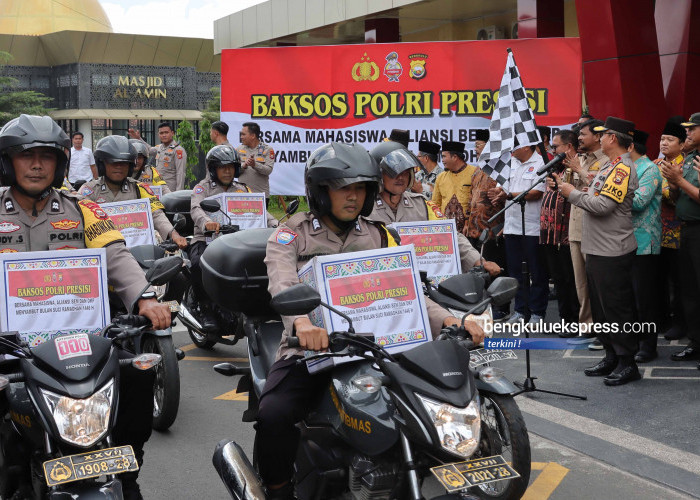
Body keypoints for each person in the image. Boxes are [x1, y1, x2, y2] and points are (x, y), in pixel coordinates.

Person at [258, 141, 484, 499]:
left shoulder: (380, 235)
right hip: (313, 350)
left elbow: (411, 293)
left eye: (361, 188)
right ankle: (278, 488)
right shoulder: (291, 234)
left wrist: (454, 321)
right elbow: (282, 282)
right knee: (274, 414)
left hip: (381, 348)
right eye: (343, 188)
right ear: (320, 191)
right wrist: (302, 325)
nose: (353, 197)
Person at [0, 115, 172, 499]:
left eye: (46, 156)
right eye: (26, 156)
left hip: (78, 343)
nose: (37, 165)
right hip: (9, 348)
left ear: (60, 163)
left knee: (138, 373)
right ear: (8, 161)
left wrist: (143, 296)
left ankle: (127, 469)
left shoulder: (82, 209)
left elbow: (116, 255)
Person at [555, 116, 640, 386]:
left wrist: (571, 193)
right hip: (598, 249)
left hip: (612, 250)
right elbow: (595, 190)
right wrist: (580, 181)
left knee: (617, 309)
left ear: (612, 138)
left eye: (602, 135)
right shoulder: (610, 166)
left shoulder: (622, 169)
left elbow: (602, 206)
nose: (599, 138)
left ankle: (628, 362)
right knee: (602, 310)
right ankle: (611, 354)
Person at [367, 141, 500, 276]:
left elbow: (450, 235)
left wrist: (478, 261)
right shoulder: (365, 208)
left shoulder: (422, 205)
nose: (400, 177)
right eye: (393, 172)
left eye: (405, 172)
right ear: (378, 174)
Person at [189, 145, 277, 330]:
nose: (227, 171)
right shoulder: (202, 188)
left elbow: (260, 210)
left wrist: (277, 224)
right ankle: (205, 308)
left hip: (236, 242)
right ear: (213, 169)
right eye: (222, 167)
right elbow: (196, 208)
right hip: (206, 240)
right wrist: (206, 223)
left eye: (231, 166)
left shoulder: (243, 189)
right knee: (199, 264)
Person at [78, 136, 187, 249]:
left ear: (130, 165)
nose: (119, 167)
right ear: (102, 164)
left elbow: (157, 215)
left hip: (137, 252)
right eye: (113, 162)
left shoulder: (139, 188)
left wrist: (174, 235)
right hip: (102, 251)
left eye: (124, 163)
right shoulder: (88, 191)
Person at [491, 144, 548, 324]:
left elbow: (536, 193)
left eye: (515, 146)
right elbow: (501, 188)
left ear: (526, 146)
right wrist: (498, 192)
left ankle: (537, 312)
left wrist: (506, 195)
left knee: (537, 272)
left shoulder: (541, 162)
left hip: (533, 227)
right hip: (512, 226)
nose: (512, 150)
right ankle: (520, 311)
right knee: (516, 272)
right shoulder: (510, 163)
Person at [660, 112, 700, 367]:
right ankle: (696, 342)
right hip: (686, 229)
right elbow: (679, 196)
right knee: (689, 290)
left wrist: (679, 181)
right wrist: (674, 184)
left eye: (693, 129)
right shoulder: (689, 159)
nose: (688, 132)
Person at [564, 119, 607, 345]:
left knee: (598, 283)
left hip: (596, 229)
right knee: (580, 282)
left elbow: (595, 188)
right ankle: (587, 325)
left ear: (598, 136)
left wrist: (579, 171)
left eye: (583, 134)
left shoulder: (607, 160)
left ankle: (604, 329)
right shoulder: (579, 158)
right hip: (576, 226)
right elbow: (569, 189)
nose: (579, 138)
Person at [465, 129, 510, 320]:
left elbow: (508, 197)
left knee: (495, 268)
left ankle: (502, 307)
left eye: (478, 144)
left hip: (494, 228)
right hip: (474, 228)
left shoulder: (502, 168)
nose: (475, 148)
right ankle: (483, 307)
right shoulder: (478, 168)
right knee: (477, 270)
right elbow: (471, 197)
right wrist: (467, 222)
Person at [628, 129, 662, 362]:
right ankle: (632, 342)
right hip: (624, 240)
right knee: (629, 298)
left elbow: (639, 202)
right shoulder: (625, 168)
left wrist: (612, 192)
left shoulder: (649, 169)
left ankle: (648, 346)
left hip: (644, 241)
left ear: (630, 146)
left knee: (644, 299)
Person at [542, 130, 580, 329]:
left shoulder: (579, 167)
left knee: (571, 280)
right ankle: (565, 320)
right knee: (559, 279)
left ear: (569, 147)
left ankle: (574, 321)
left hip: (569, 234)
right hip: (551, 234)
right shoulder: (557, 168)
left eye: (555, 147)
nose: (552, 150)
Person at [654, 118, 686, 340]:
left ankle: (680, 322)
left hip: (679, 233)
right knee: (658, 279)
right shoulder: (654, 164)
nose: (664, 143)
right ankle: (662, 318)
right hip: (656, 232)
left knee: (679, 280)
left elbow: (673, 197)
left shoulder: (684, 165)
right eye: (663, 138)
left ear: (682, 144)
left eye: (670, 139)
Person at [431, 141, 477, 233]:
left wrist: (468, 224)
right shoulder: (441, 177)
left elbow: (476, 202)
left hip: (468, 230)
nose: (442, 160)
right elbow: (435, 204)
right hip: (446, 231)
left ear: (455, 157)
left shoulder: (475, 173)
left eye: (444, 156)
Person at [128, 122, 187, 192]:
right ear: (158, 135)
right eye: (161, 133)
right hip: (158, 188)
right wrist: (139, 139)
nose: (164, 135)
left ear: (172, 133)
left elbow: (180, 173)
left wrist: (178, 194)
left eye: (166, 132)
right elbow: (149, 150)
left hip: (171, 190)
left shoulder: (178, 150)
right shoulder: (160, 147)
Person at [237, 121, 275, 202]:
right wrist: (243, 166)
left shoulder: (268, 149)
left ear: (253, 135)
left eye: (243, 134)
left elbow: (268, 170)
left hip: (260, 196)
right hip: (242, 195)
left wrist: (255, 165)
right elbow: (235, 172)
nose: (241, 137)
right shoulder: (239, 149)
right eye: (241, 134)